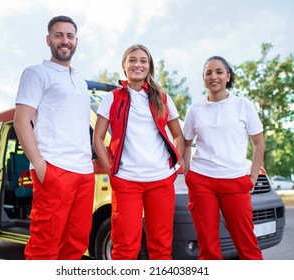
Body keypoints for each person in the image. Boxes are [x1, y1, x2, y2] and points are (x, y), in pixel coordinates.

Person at [13, 15, 95, 260]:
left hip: (83, 172)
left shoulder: (80, 81)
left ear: (76, 41)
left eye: (70, 36)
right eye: (59, 35)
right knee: (44, 246)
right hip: (55, 169)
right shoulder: (36, 73)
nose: (65, 41)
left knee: (77, 244)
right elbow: (21, 121)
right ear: (48, 40)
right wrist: (39, 164)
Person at [93, 44, 184, 260]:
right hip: (126, 182)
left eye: (143, 60)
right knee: (124, 248)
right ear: (124, 66)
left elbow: (178, 136)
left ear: (149, 66)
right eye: (132, 60)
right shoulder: (111, 98)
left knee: (161, 247)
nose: (138, 64)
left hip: (161, 181)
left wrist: (174, 167)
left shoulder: (162, 98)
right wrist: (111, 172)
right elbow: (98, 138)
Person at [183, 56, 265, 260]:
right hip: (201, 181)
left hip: (235, 180)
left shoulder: (243, 105)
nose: (214, 76)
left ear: (228, 76)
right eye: (208, 72)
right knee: (208, 247)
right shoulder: (194, 110)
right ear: (203, 78)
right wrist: (187, 173)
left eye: (219, 72)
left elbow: (259, 143)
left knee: (247, 244)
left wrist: (252, 177)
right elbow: (185, 143)